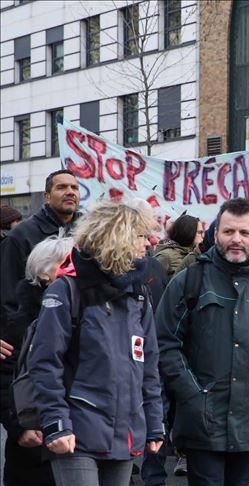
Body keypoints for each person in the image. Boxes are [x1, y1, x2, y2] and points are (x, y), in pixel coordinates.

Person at [156, 198, 249, 485]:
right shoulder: (189, 282)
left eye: (245, 233)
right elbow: (165, 343)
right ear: (216, 233)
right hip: (202, 424)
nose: (236, 239)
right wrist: (193, 396)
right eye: (229, 231)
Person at [27, 200, 164, 485]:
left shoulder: (138, 295)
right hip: (76, 432)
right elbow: (45, 363)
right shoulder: (67, 290)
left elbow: (149, 365)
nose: (148, 243)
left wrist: (154, 423)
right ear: (116, 238)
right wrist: (56, 423)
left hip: (126, 432)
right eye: (140, 235)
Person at [1, 235, 73, 486]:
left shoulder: (85, 311)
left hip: (79, 436)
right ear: (44, 273)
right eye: (66, 264)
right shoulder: (20, 323)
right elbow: (5, 380)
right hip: (34, 443)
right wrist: (18, 427)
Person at [1, 170, 81, 320]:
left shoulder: (89, 232)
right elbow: (7, 295)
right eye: (61, 187)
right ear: (47, 196)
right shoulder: (20, 235)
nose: (70, 192)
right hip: (39, 325)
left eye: (74, 187)